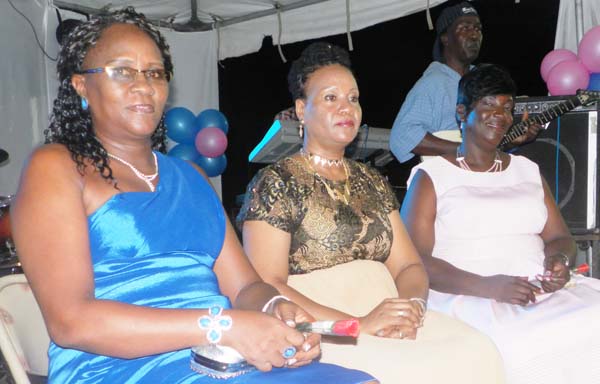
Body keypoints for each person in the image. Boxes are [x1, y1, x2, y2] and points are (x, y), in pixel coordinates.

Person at [10, 8, 376, 384]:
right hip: (116, 367)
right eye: (122, 71)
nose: (143, 85)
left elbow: (246, 286)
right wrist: (223, 325)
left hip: (221, 355)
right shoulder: (56, 167)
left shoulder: (192, 177)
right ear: (81, 86)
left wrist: (278, 310)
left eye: (155, 73)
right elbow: (71, 322)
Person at [238, 42, 506, 384]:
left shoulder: (371, 180)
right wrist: (359, 323)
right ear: (302, 110)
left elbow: (409, 265)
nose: (346, 107)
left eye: (353, 97)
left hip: (388, 318)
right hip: (324, 328)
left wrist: (411, 310)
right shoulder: (278, 181)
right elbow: (267, 284)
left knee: (479, 351)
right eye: (331, 98)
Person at [401, 63, 600, 384]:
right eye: (489, 104)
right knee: (526, 345)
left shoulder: (527, 169)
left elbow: (560, 237)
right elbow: (415, 261)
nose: (501, 114)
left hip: (537, 290)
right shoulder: (432, 176)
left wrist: (560, 262)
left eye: (507, 107)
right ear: (462, 112)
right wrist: (490, 286)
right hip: (471, 294)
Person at [389, 2, 539, 163]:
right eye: (465, 28)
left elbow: (490, 147)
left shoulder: (484, 80)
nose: (474, 35)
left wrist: (510, 142)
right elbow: (402, 136)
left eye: (477, 28)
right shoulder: (434, 82)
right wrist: (465, 149)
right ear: (445, 38)